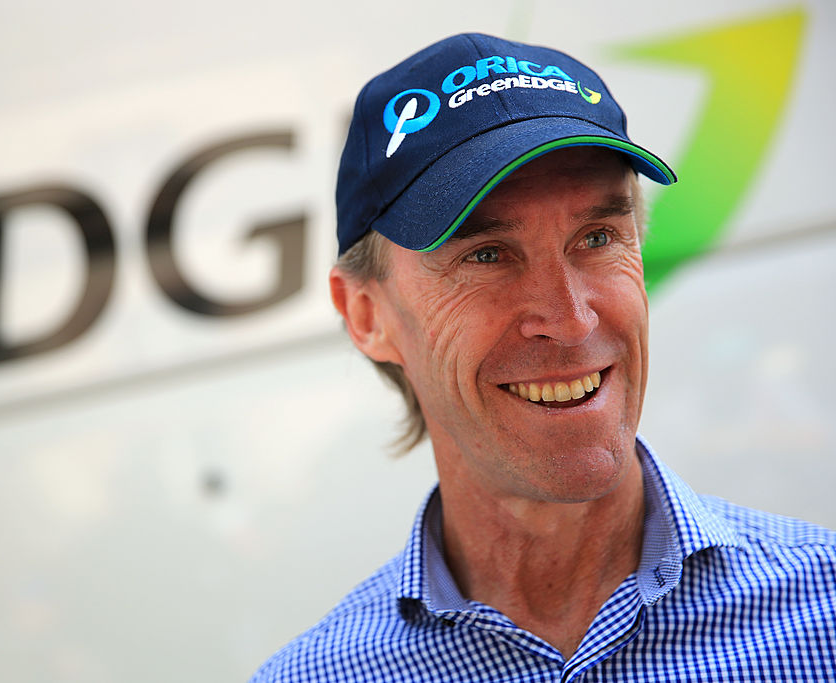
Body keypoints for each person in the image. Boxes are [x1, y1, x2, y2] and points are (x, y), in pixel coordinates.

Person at [250, 32, 836, 681]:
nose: (570, 317)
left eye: (596, 237)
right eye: (487, 255)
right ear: (367, 314)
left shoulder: (822, 609)